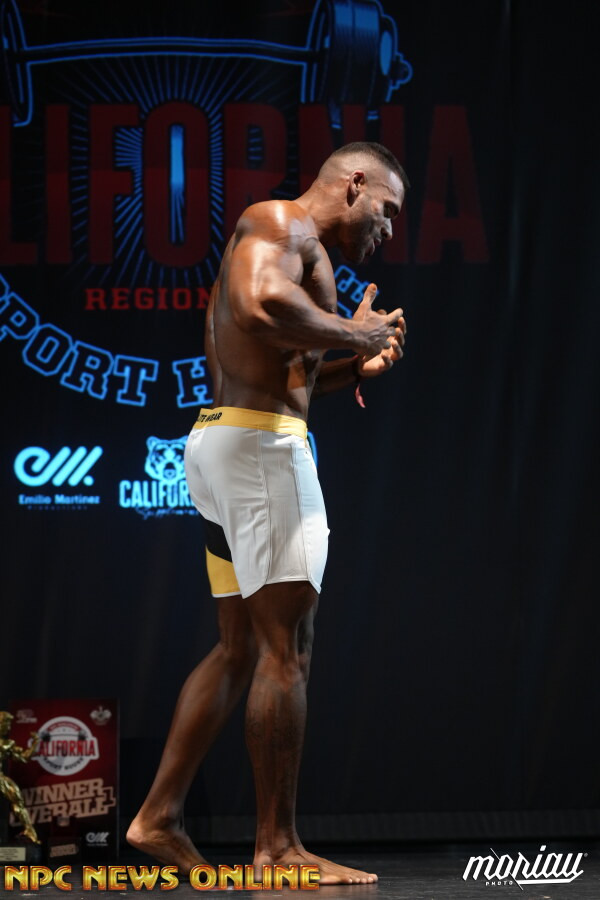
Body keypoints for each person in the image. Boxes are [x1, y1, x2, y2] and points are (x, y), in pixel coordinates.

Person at [127, 142, 408, 885]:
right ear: (354, 184)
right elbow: (257, 305)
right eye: (387, 210)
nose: (387, 229)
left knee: (239, 649)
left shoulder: (303, 249)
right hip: (259, 453)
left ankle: (157, 816)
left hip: (231, 442)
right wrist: (356, 333)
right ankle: (277, 849)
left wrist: (354, 362)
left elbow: (285, 372)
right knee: (288, 651)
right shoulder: (282, 222)